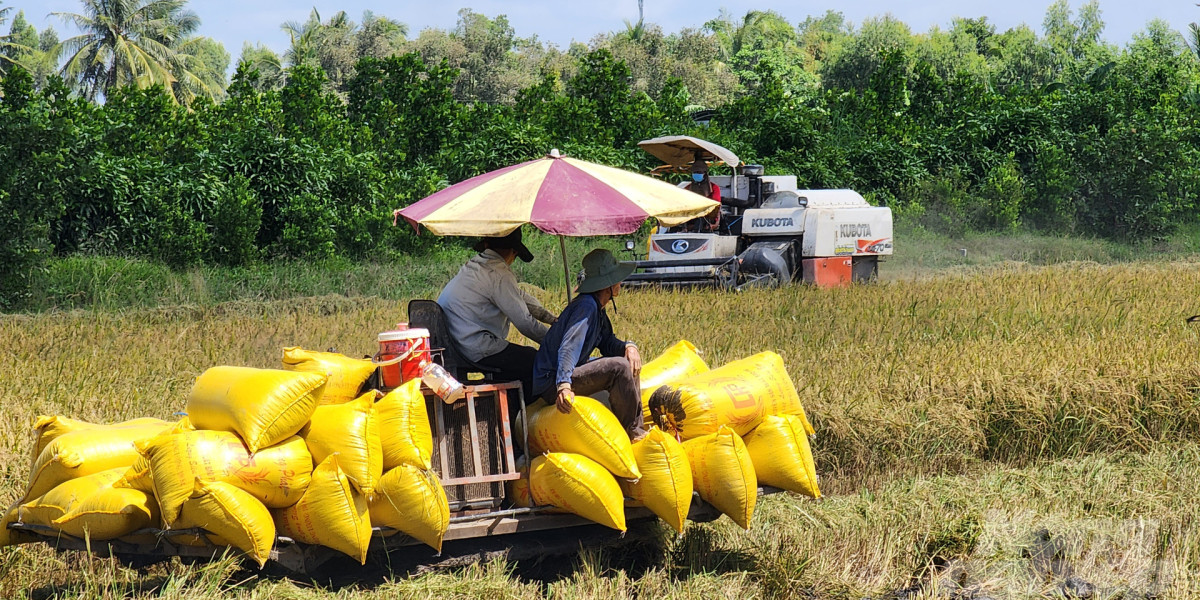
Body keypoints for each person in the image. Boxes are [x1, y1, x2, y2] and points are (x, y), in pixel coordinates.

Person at [531, 249, 646, 441]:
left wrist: (629, 346)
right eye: (617, 280)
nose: (621, 283)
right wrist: (564, 386)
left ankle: (637, 427)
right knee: (619, 367)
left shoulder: (597, 308)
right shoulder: (586, 307)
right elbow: (569, 347)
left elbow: (608, 342)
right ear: (607, 285)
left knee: (628, 360)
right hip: (553, 380)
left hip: (566, 373)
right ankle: (633, 432)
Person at [437, 229, 556, 402]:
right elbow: (525, 324)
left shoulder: (477, 266)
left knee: (524, 358)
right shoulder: (499, 273)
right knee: (536, 362)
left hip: (456, 342)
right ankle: (518, 413)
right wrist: (555, 343)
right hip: (474, 347)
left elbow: (518, 296)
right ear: (514, 252)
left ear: (486, 245)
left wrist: (552, 319)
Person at [683, 159, 721, 232]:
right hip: (690, 217)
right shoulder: (688, 188)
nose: (697, 174)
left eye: (699, 172)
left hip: (708, 218)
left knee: (700, 220)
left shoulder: (714, 188)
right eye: (695, 172)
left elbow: (716, 204)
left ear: (705, 174)